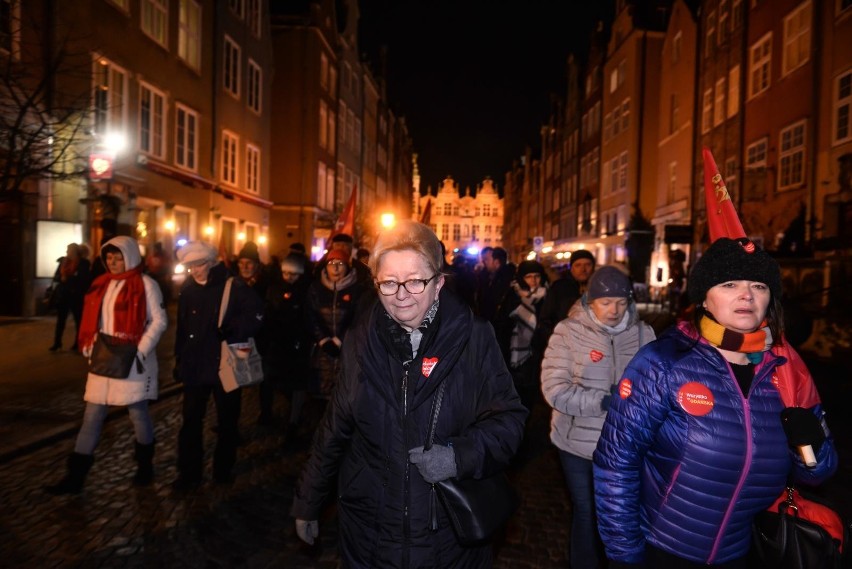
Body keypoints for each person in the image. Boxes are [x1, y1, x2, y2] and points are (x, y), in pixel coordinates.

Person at [291, 220, 527, 567]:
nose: (401, 294)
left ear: (439, 283)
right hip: (369, 531)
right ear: (376, 283)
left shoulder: (474, 337)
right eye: (389, 282)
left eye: (415, 281)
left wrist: (458, 456)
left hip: (446, 535)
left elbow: (509, 419)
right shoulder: (360, 338)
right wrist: (308, 500)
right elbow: (336, 424)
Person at [593, 238, 838, 568]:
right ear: (705, 299)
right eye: (729, 283)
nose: (747, 295)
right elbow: (616, 461)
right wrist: (624, 554)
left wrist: (811, 446)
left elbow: (816, 474)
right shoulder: (664, 363)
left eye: (759, 285)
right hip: (661, 548)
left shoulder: (787, 375)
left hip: (739, 553)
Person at [540, 265, 655, 569]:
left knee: (623, 514)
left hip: (628, 444)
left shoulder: (645, 334)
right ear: (590, 301)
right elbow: (555, 390)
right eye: (605, 303)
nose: (614, 310)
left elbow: (658, 384)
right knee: (588, 511)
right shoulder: (568, 332)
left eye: (620, 302)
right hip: (578, 445)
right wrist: (605, 401)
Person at [46, 236, 168, 494]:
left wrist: (141, 350)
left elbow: (159, 321)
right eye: (109, 257)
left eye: (118, 257)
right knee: (91, 416)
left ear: (130, 256)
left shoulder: (146, 284)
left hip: (133, 359)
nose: (113, 262)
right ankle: (75, 477)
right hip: (104, 357)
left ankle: (145, 467)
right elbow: (94, 320)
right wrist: (90, 347)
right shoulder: (101, 284)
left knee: (137, 413)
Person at [172, 241, 264, 490]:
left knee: (227, 421)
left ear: (212, 262)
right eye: (190, 266)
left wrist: (234, 329)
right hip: (194, 365)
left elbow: (257, 314)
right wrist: (179, 357)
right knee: (190, 421)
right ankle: (189, 474)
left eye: (199, 264)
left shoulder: (233, 285)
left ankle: (223, 470)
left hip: (225, 363)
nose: (195, 270)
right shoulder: (189, 288)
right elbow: (182, 327)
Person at [256, 254, 311, 432]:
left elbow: (306, 319)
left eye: (293, 275)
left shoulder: (305, 291)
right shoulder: (274, 289)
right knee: (269, 380)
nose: (289, 278)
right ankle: (266, 414)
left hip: (295, 344)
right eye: (286, 273)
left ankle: (295, 419)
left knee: (293, 383)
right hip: (275, 343)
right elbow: (268, 312)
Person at [305, 248, 364, 400]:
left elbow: (357, 317)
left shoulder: (357, 289)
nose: (335, 268)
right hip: (321, 350)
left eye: (340, 263)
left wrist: (339, 340)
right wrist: (323, 339)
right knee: (320, 393)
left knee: (344, 392)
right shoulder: (316, 289)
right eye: (331, 263)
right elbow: (310, 315)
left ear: (348, 267)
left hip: (347, 349)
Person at [494, 259, 550, 415]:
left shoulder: (548, 297)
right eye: (529, 276)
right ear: (521, 278)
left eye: (537, 276)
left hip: (540, 355)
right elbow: (502, 326)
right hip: (515, 357)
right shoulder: (512, 296)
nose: (533, 280)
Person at [533, 249, 595, 353]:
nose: (583, 269)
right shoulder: (559, 288)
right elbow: (546, 320)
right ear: (571, 268)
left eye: (587, 265)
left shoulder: (600, 289)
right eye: (578, 265)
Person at [49, 243, 91, 352]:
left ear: (75, 252)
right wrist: (61, 277)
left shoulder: (83, 263)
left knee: (78, 320)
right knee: (61, 320)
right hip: (63, 295)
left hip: (75, 296)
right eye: (67, 250)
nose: (67, 252)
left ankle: (78, 343)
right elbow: (56, 276)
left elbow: (83, 279)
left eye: (69, 250)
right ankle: (57, 342)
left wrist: (68, 278)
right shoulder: (63, 262)